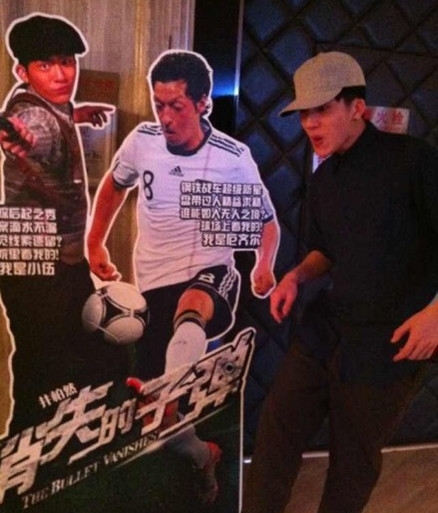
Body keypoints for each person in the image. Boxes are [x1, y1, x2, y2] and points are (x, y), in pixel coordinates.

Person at [242, 51, 438, 513]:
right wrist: (295, 276)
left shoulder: (413, 160)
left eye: (323, 109)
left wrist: (435, 315)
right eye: (303, 113)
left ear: (357, 108)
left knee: (353, 462)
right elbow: (326, 251)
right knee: (276, 427)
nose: (310, 123)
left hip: (390, 339)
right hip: (328, 326)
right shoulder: (325, 176)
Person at [87, 50, 279, 505]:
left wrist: (264, 264)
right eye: (159, 105)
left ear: (202, 103)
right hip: (154, 284)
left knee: (191, 309)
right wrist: (95, 244)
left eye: (176, 105)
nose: (166, 116)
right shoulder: (143, 140)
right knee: (159, 425)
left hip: (211, 275)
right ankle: (201, 455)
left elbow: (266, 222)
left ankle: (171, 388)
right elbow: (115, 184)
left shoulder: (233, 156)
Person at [0, 13, 129, 436]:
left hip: (53, 262)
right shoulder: (32, 119)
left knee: (80, 359)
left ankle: (49, 452)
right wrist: (16, 138)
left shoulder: (48, 105)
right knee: (47, 370)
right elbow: (29, 133)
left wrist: (77, 112)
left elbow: (50, 113)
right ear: (22, 71)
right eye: (45, 65)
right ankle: (24, 463)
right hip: (41, 269)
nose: (61, 75)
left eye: (67, 62)